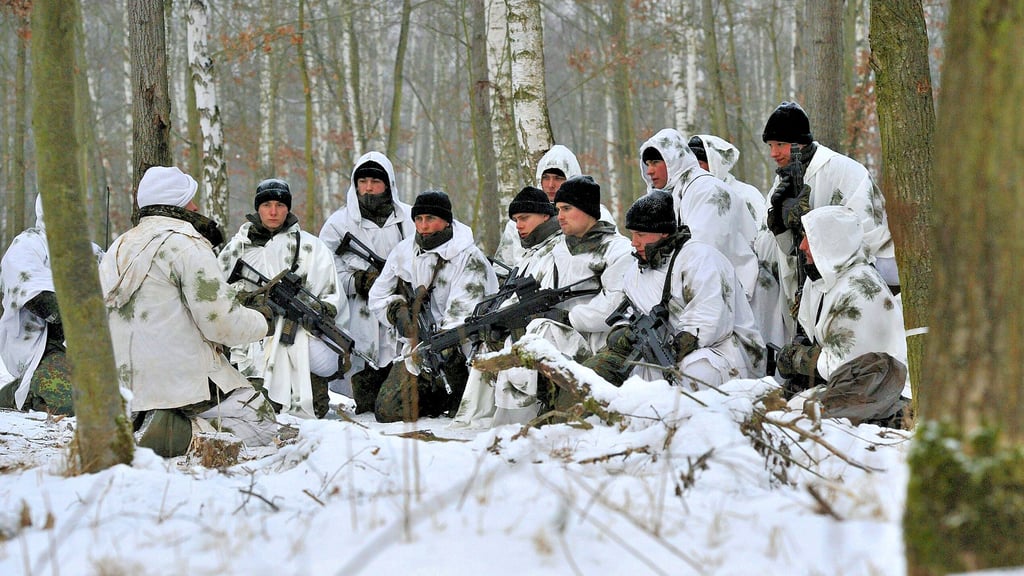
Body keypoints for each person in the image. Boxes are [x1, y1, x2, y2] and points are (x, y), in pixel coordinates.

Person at [99, 166, 278, 457]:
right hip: (177, 379)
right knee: (262, 421)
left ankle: (145, 419)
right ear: (177, 203)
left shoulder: (119, 246)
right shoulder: (186, 244)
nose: (195, 207)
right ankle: (179, 432)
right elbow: (221, 323)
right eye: (189, 200)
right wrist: (262, 321)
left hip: (124, 384)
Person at [584, 191, 765, 388]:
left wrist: (676, 346)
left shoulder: (700, 259)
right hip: (659, 352)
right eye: (632, 234)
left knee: (695, 373)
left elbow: (709, 319)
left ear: (664, 232)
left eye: (641, 235)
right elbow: (627, 310)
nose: (634, 242)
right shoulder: (636, 272)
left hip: (721, 350)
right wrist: (622, 332)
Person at [495, 176, 633, 423]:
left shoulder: (617, 249)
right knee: (521, 340)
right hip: (560, 338)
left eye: (567, 209)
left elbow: (614, 305)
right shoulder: (558, 250)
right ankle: (514, 425)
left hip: (597, 345)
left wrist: (567, 317)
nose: (560, 216)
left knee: (540, 333)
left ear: (588, 210)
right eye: (558, 209)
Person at [761, 101, 898, 345]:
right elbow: (785, 252)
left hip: (846, 291)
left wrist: (809, 222)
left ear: (799, 142)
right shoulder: (780, 183)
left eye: (780, 144)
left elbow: (871, 234)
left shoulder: (843, 171)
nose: (773, 153)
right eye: (771, 145)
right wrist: (780, 227)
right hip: (804, 292)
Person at [219, 178, 345, 419]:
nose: (273, 211)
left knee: (313, 409)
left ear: (288, 208)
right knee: (253, 410)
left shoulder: (311, 247)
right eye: (267, 205)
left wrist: (307, 311)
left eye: (279, 204)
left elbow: (331, 298)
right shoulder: (237, 249)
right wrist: (255, 303)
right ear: (258, 208)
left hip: (297, 337)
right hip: (251, 336)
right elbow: (218, 295)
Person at [368, 190, 498, 422]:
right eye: (418, 219)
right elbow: (377, 296)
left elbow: (460, 319)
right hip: (419, 346)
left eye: (430, 219)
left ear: (446, 220)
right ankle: (436, 398)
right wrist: (396, 312)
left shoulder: (469, 258)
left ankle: (450, 394)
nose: (424, 225)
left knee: (467, 410)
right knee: (387, 410)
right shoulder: (404, 251)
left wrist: (433, 346)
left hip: (461, 348)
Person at [776, 205, 907, 425]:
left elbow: (851, 366)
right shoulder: (823, 278)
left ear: (831, 242)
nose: (802, 246)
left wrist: (800, 359)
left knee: (797, 417)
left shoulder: (858, 290)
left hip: (882, 393)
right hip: (849, 387)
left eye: (810, 238)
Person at [452, 186, 562, 428]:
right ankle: (489, 420)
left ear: (545, 216)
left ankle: (518, 423)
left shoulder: (556, 249)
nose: (518, 225)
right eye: (515, 220)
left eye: (524, 218)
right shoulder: (532, 251)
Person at [319, 152, 414, 414]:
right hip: (359, 316)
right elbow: (323, 270)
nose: (369, 188)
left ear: (388, 184)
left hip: (400, 312)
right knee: (366, 396)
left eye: (375, 181)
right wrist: (357, 281)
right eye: (363, 181)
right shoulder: (339, 224)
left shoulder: (409, 219)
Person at [0, 196, 101, 416]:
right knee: (77, 403)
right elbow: (38, 299)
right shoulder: (28, 244)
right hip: (42, 349)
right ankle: (24, 392)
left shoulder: (88, 251)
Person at [639, 129, 759, 309]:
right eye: (647, 163)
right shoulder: (674, 193)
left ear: (673, 160)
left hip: (738, 294)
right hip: (708, 294)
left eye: (656, 162)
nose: (649, 171)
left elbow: (704, 251)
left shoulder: (706, 190)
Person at [689, 134, 788, 352]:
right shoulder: (690, 197)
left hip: (753, 286)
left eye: (699, 163)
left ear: (713, 162)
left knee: (762, 345)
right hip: (715, 288)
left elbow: (763, 241)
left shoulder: (746, 195)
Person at [493, 144, 616, 268]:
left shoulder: (593, 214)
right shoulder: (517, 221)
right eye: (546, 178)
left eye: (558, 178)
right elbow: (501, 268)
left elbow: (612, 252)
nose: (551, 184)